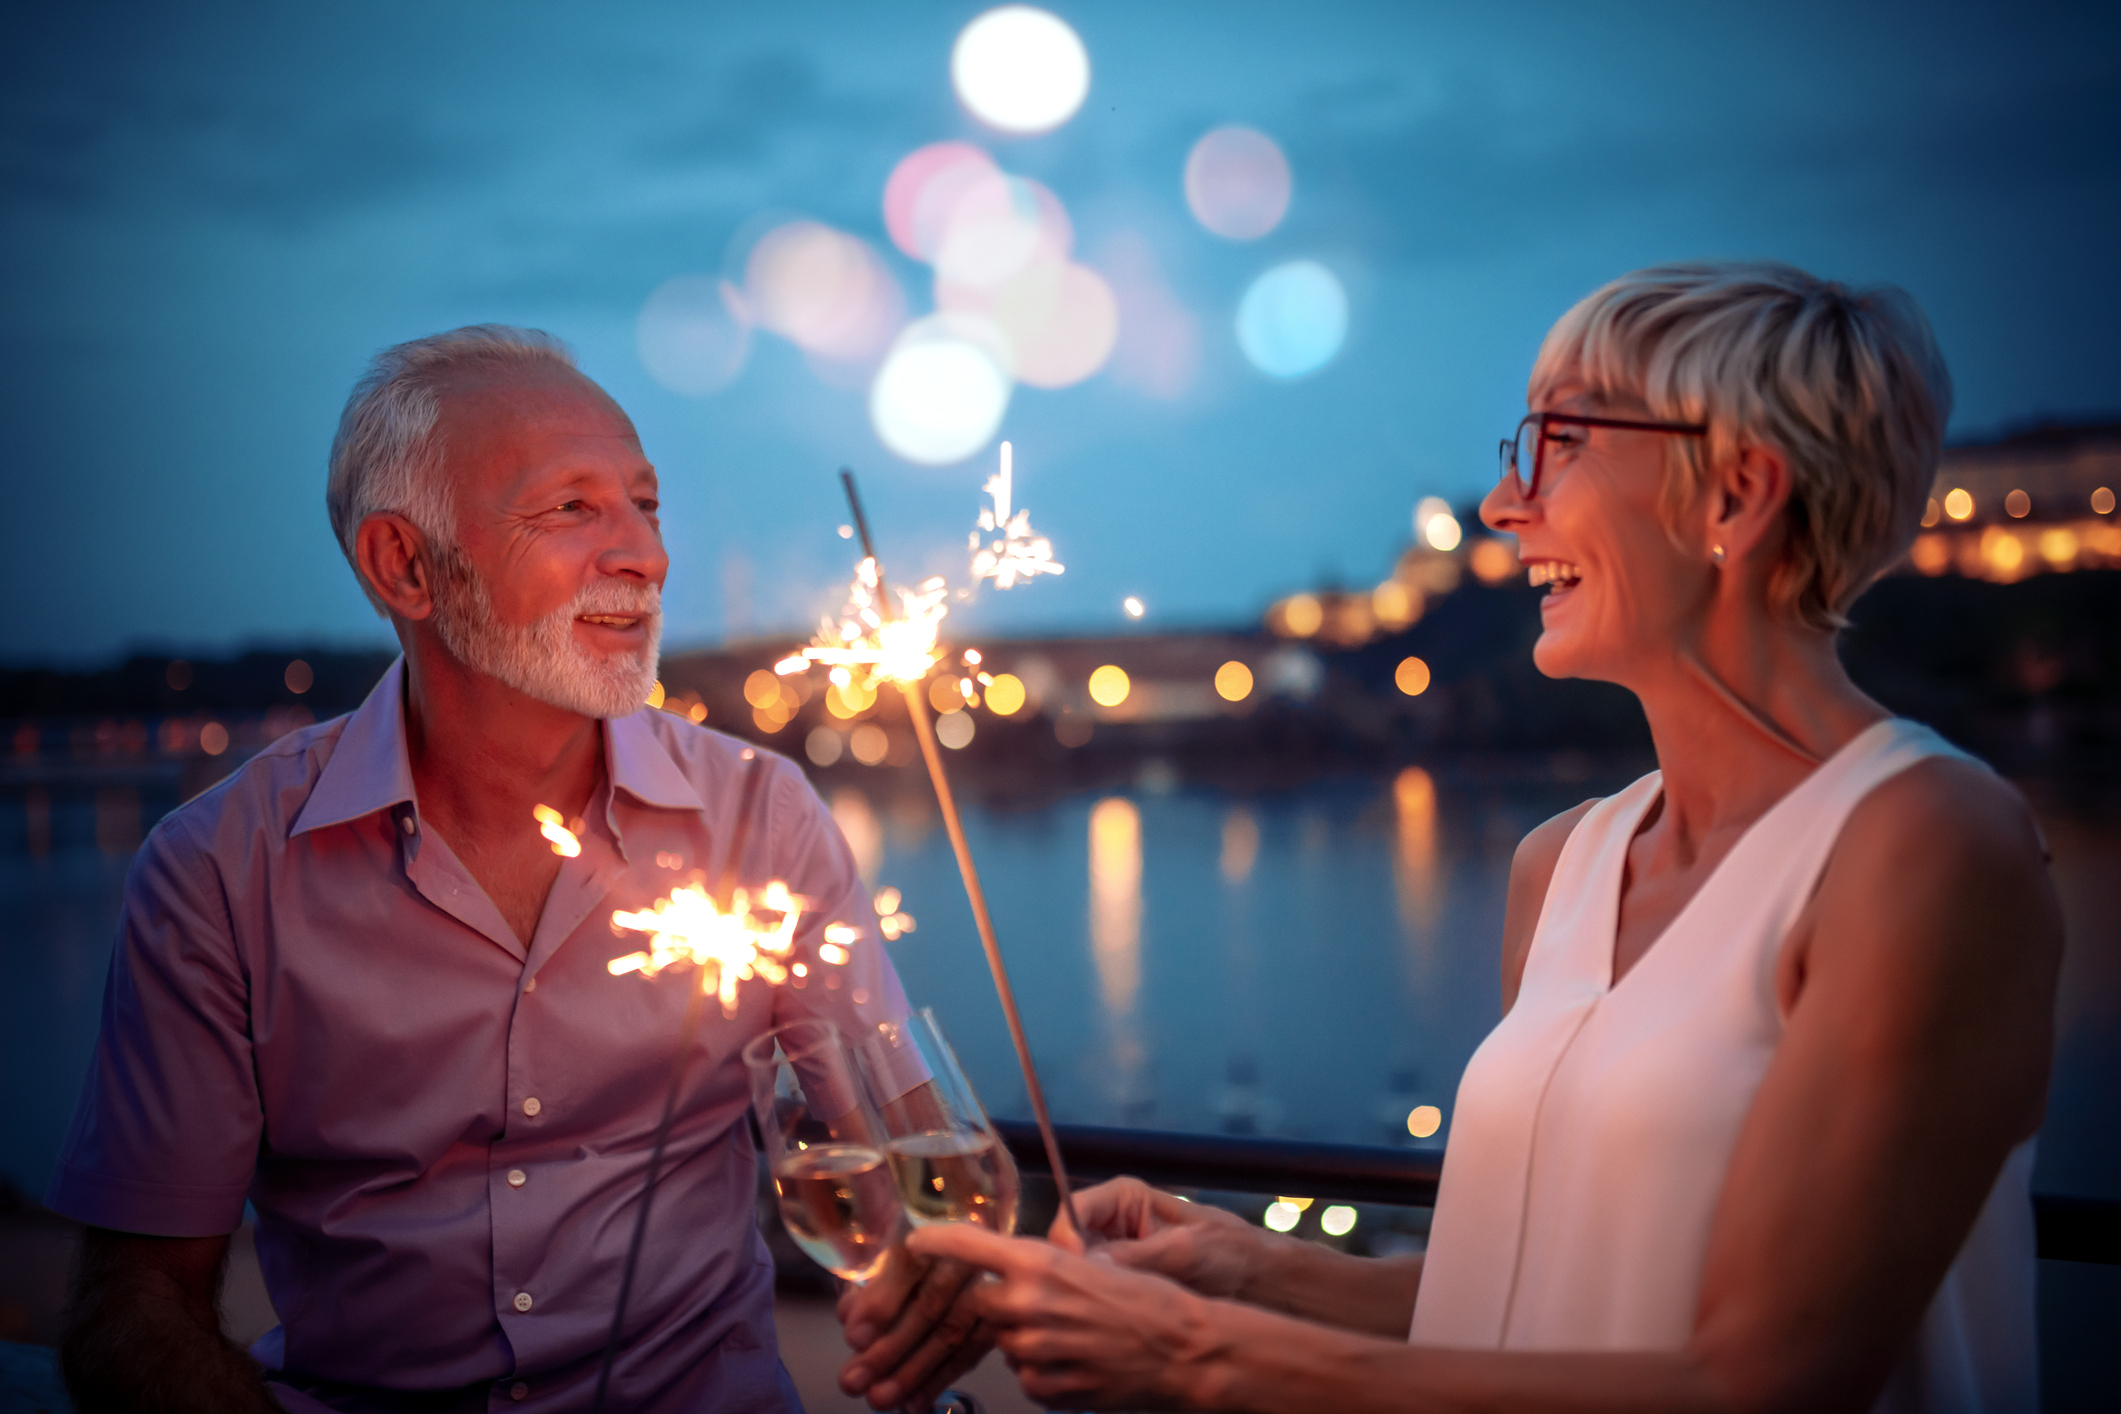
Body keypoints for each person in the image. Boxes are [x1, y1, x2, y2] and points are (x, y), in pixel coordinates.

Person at [908, 262, 2062, 1413]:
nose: (1507, 505)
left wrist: (1196, 1353)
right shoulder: (1562, 866)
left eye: (1562, 444)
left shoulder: (1927, 846)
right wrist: (1249, 1266)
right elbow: (1524, 1301)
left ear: (1734, 497)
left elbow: (1758, 1381)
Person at [48, 326, 980, 1413]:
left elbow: (920, 1165)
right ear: (406, 566)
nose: (647, 552)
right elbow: (132, 1309)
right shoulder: (217, 873)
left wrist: (947, 1265)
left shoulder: (759, 818)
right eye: (573, 508)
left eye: (646, 503)